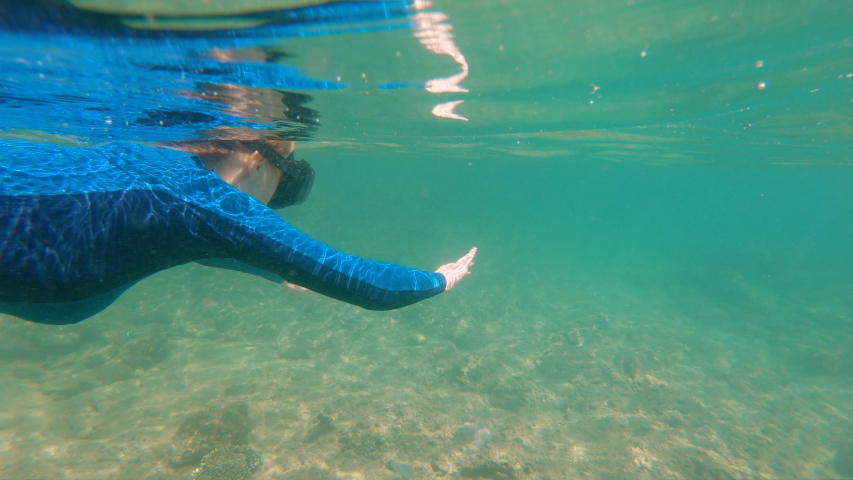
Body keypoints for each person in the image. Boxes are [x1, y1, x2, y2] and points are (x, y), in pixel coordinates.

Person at [0, 137, 476, 325]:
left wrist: (277, 273)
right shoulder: (206, 199)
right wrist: (440, 280)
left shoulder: (144, 157)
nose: (265, 208)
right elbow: (370, 286)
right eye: (280, 183)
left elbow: (200, 243)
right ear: (255, 158)